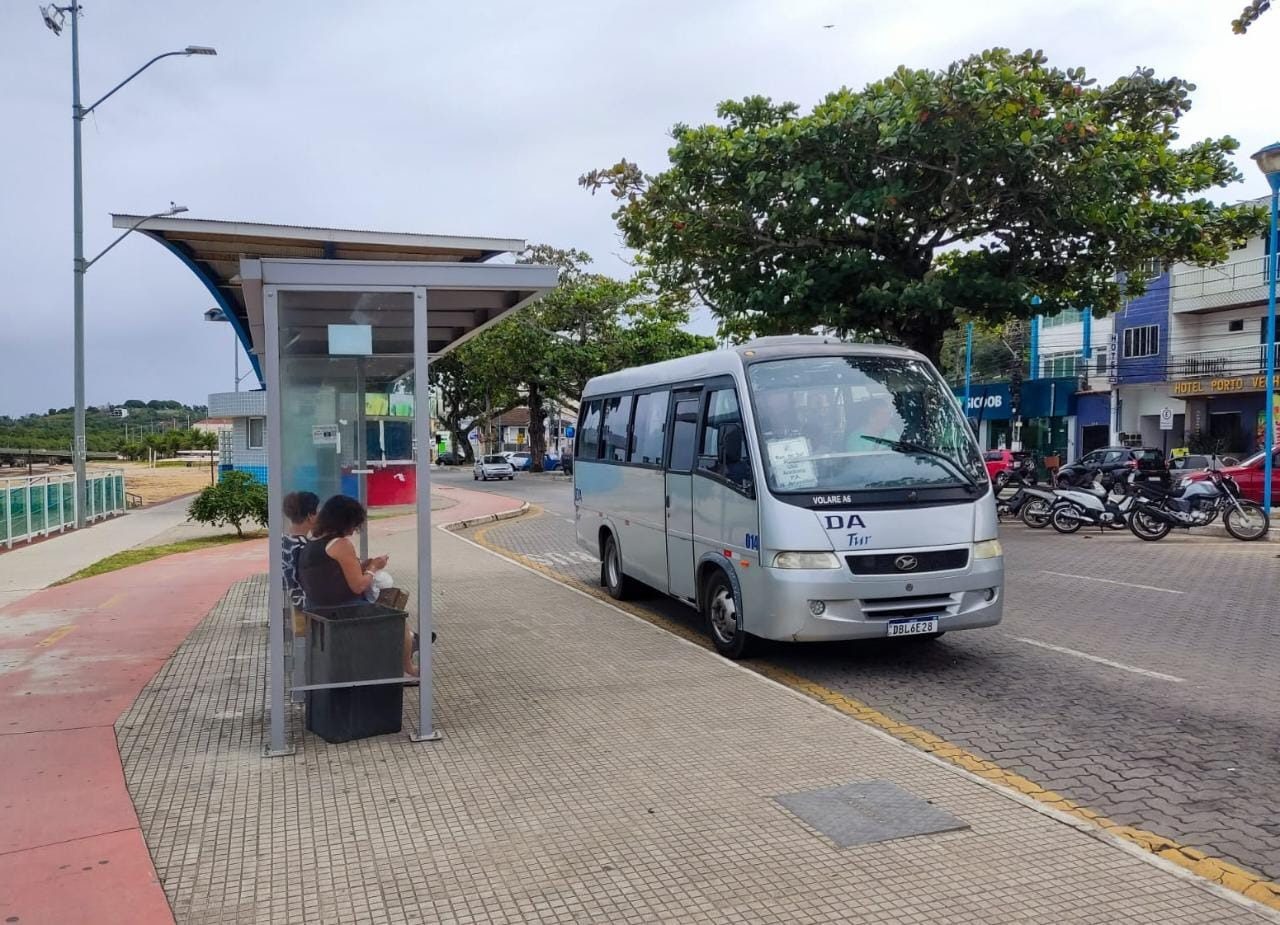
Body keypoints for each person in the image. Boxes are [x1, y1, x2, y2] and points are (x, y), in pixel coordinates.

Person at [297, 495, 417, 678]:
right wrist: (374, 567)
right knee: (399, 619)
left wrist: (362, 566)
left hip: (317, 609)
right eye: (353, 525)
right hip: (345, 612)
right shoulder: (341, 544)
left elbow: (331, 574)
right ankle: (409, 667)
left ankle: (412, 640)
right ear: (344, 522)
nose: (353, 531)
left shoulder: (313, 543)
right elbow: (358, 586)